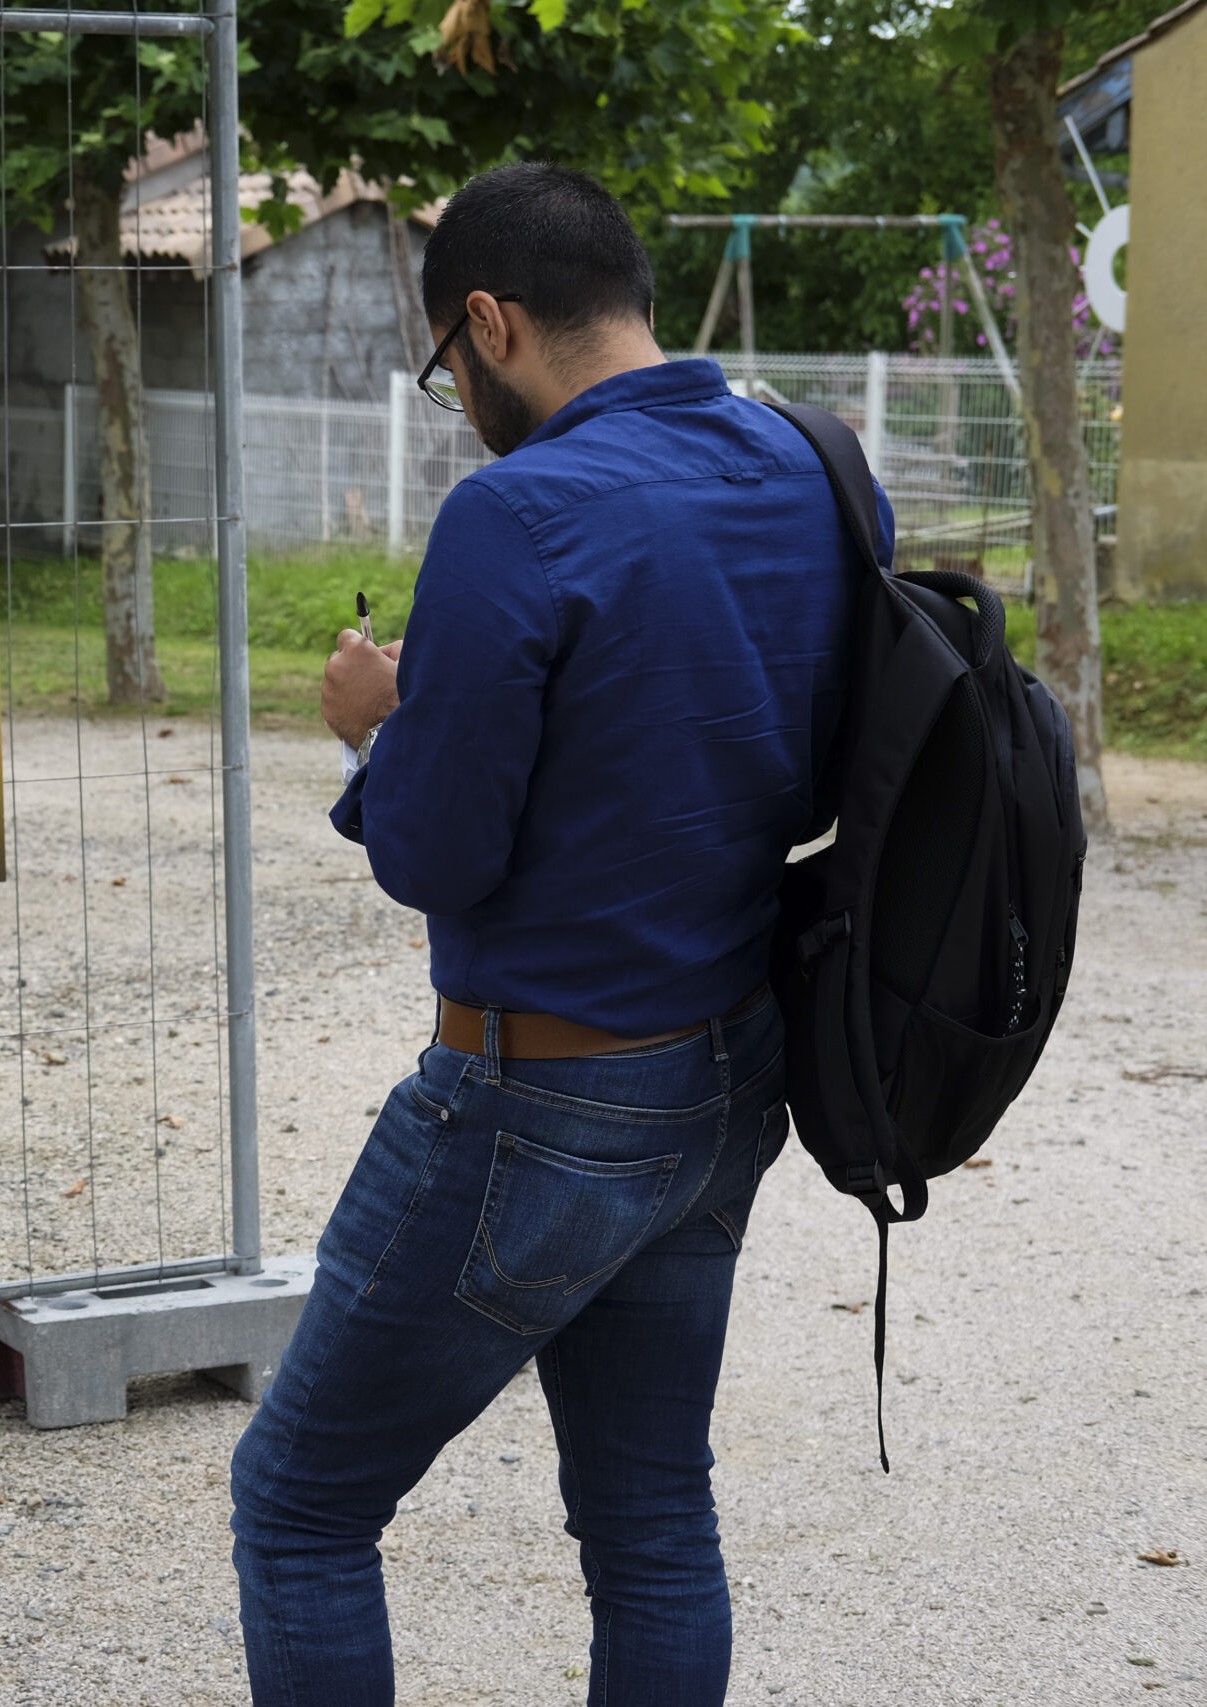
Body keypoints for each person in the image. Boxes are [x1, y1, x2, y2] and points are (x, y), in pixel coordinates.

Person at [227, 161, 883, 1706]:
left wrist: (380, 733)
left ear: (490, 322)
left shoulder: (514, 517)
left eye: (449, 370)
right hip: (731, 1071)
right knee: (652, 1521)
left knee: (301, 1505)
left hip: (541, 1095)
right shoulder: (816, 463)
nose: (458, 399)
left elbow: (437, 856)